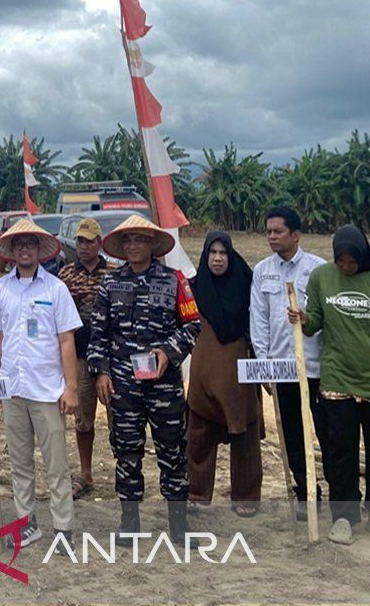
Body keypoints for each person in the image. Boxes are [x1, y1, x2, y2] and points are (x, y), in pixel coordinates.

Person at [87, 215, 200, 544]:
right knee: (126, 450)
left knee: (173, 451)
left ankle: (178, 525)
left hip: (164, 385)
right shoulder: (109, 285)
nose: (134, 245)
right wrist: (101, 372)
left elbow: (193, 324)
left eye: (140, 239)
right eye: (128, 241)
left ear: (152, 243)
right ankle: (130, 522)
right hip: (123, 384)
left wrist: (168, 350)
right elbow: (98, 335)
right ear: (122, 247)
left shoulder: (174, 280)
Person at [0, 219, 80, 551]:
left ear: (39, 250)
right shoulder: (0, 289)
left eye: (30, 244)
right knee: (20, 463)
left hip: (47, 390)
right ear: (11, 252)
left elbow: (67, 341)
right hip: (13, 389)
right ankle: (26, 523)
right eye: (19, 245)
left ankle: (64, 528)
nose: (25, 249)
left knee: (56, 463)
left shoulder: (56, 289)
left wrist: (71, 388)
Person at [290, 225, 370, 545]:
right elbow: (316, 323)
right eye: (342, 261)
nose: (347, 267)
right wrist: (304, 319)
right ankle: (344, 517)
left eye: (353, 262)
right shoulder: (322, 277)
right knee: (340, 451)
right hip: (337, 379)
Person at [250, 205, 329, 518]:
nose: (271, 237)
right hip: (281, 367)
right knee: (292, 434)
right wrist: (263, 362)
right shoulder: (262, 271)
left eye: (278, 231)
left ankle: (340, 491)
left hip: (316, 367)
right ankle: (305, 492)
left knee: (327, 431)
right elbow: (259, 319)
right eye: (268, 231)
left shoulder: (318, 270)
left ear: (295, 235)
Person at [186, 231, 262, 516]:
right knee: (198, 437)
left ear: (231, 256)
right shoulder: (193, 289)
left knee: (245, 437)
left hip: (239, 376)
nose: (218, 259)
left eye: (223, 253)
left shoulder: (247, 286)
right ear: (205, 257)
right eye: (212, 253)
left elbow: (261, 327)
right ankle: (195, 492)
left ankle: (246, 496)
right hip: (204, 377)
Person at [56, 217, 116, 500]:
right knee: (83, 419)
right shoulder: (65, 275)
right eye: (79, 241)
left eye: (89, 241)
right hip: (78, 356)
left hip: (110, 358)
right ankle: (86, 473)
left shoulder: (114, 274)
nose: (83, 246)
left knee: (120, 418)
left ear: (99, 243)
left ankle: (124, 472)